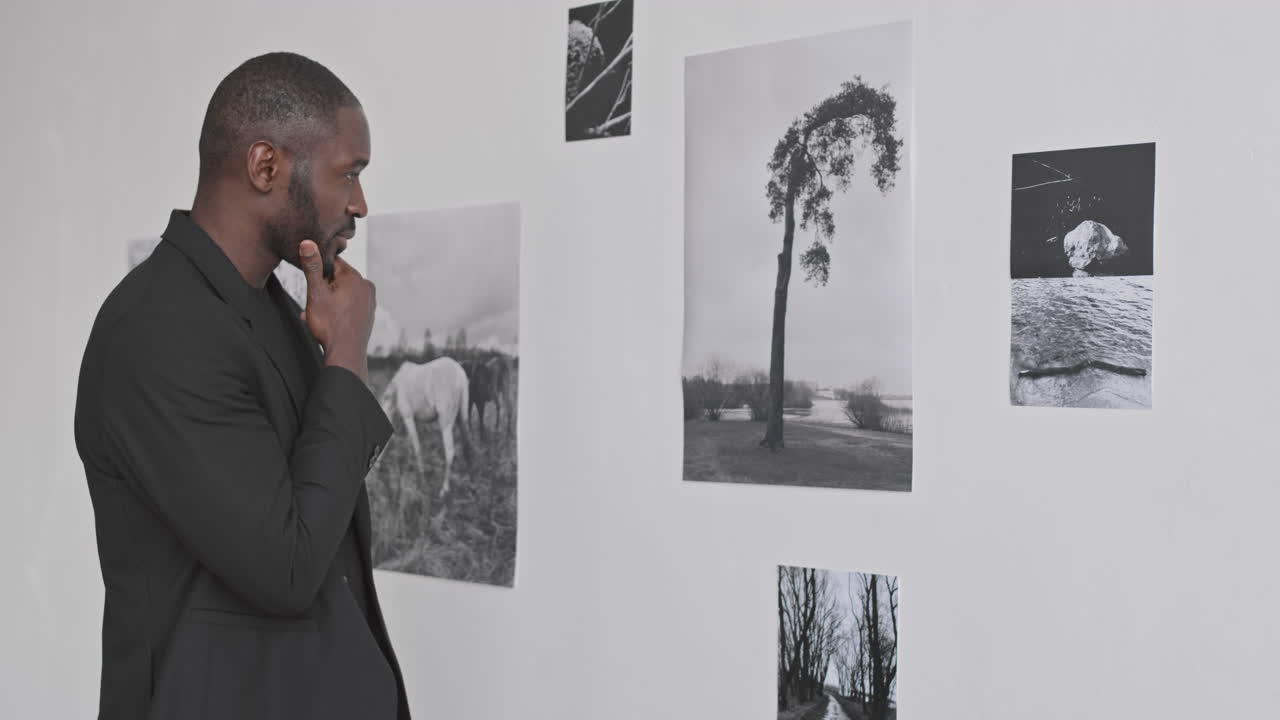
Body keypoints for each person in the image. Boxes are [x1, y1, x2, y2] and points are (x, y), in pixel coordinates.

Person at [73, 52, 410, 720]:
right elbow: (288, 567)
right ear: (265, 167)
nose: (360, 204)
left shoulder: (267, 309)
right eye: (350, 174)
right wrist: (345, 353)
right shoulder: (158, 328)